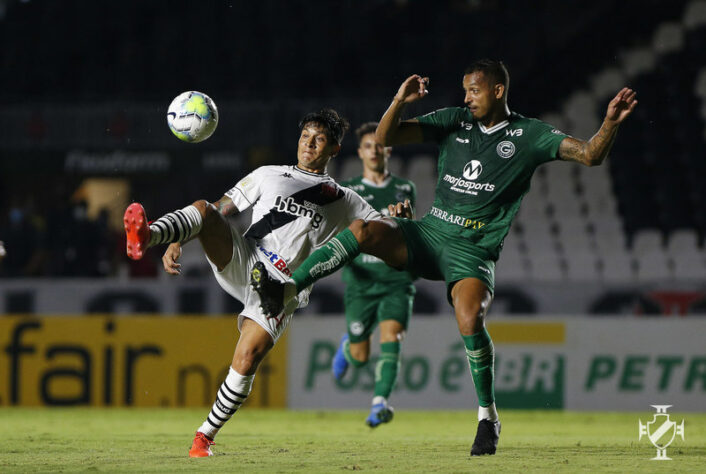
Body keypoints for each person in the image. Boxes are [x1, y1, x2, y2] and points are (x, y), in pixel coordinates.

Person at [251, 59, 638, 456]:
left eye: (474, 90)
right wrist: (400, 100)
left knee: (470, 318)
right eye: (465, 89)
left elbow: (591, 155)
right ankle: (286, 288)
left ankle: (487, 417)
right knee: (363, 231)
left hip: (472, 251)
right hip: (430, 233)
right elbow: (386, 138)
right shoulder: (456, 120)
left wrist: (610, 123)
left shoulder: (530, 134)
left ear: (498, 91)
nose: (467, 97)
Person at [123, 109, 409, 458]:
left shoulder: (344, 198)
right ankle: (147, 234)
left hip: (282, 287)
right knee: (203, 209)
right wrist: (179, 238)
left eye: (319, 139)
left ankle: (204, 437)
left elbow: (377, 225)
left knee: (247, 358)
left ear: (334, 149)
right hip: (246, 260)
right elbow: (221, 208)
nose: (309, 144)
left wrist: (395, 216)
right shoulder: (269, 174)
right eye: (306, 136)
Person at [332, 122, 417, 427]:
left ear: (388, 149)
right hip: (361, 281)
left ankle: (380, 404)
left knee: (392, 337)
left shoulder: (406, 189)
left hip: (395, 279)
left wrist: (406, 221)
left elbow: (411, 234)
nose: (374, 151)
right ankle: (347, 346)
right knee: (360, 356)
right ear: (360, 152)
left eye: (379, 145)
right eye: (368, 146)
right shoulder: (349, 190)